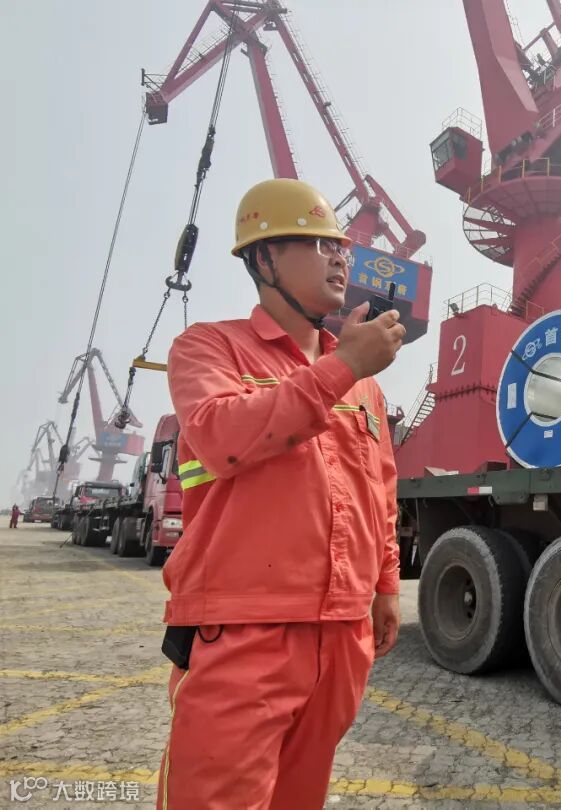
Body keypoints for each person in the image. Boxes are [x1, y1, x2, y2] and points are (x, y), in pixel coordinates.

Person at [156, 178, 407, 809]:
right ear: (264, 258)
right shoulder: (209, 347)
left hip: (342, 634)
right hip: (243, 628)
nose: (340, 258)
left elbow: (380, 489)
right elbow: (221, 437)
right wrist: (343, 367)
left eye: (341, 247)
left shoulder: (365, 385)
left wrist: (385, 587)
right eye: (318, 243)